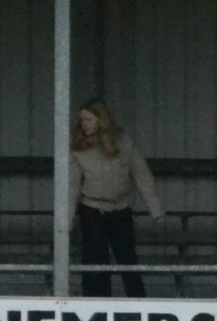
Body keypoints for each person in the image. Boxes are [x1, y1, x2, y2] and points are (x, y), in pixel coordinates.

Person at [70, 98, 164, 298]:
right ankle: (96, 306)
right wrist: (66, 220)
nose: (84, 124)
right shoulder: (79, 148)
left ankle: (138, 304)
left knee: (128, 260)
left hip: (120, 208)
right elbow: (72, 186)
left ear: (101, 120)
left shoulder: (124, 143)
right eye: (82, 120)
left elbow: (141, 175)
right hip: (91, 208)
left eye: (89, 120)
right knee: (95, 263)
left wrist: (155, 210)